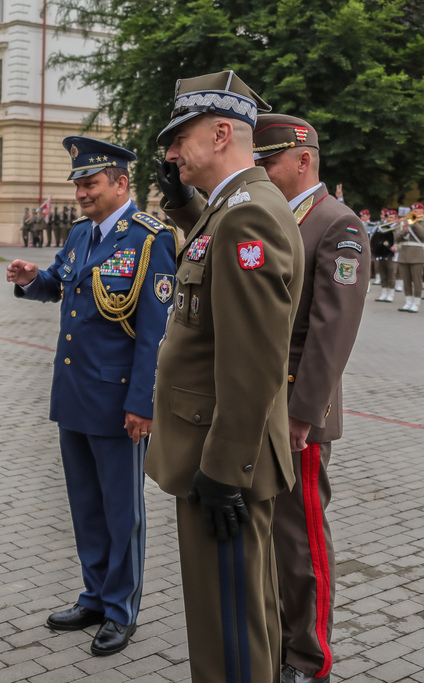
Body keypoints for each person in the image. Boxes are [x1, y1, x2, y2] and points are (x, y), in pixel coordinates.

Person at [147, 70, 304, 683]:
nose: (171, 152)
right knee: (240, 612)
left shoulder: (246, 217)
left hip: (221, 455)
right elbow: (209, 257)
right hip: (221, 447)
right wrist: (182, 199)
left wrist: (222, 470)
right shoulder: (237, 206)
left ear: (218, 134)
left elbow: (255, 358)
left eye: (179, 138)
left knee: (229, 628)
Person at [7, 137, 177, 656]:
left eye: (90, 183)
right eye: (77, 184)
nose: (81, 192)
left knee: (121, 510)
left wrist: (142, 403)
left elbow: (154, 333)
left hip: (118, 399)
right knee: (85, 504)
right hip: (75, 393)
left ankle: (122, 609)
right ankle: (96, 594)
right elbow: (60, 282)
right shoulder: (81, 234)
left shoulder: (150, 239)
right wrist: (32, 279)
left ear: (121, 183)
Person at [252, 114, 369, 683]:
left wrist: (303, 414)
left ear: (303, 160)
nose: (262, 172)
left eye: (269, 162)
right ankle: (278, 640)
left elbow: (331, 330)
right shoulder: (273, 219)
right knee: (270, 537)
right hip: (262, 405)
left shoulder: (336, 224)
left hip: (299, 411)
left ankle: (309, 658)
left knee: (301, 543)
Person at [395, 203, 424, 312]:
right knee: (406, 280)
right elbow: (396, 238)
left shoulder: (421, 222)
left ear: (422, 212)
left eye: (417, 211)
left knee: (416, 280)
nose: (414, 213)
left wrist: (414, 222)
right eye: (413, 211)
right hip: (404, 255)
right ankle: (408, 302)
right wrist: (403, 230)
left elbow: (423, 236)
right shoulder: (404, 222)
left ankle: (416, 303)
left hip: (417, 255)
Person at [372, 210, 398, 301]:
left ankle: (390, 294)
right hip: (382, 253)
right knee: (383, 273)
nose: (389, 219)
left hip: (393, 254)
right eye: (388, 217)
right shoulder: (382, 227)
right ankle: (384, 293)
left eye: (391, 217)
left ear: (396, 218)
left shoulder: (398, 227)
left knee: (391, 274)